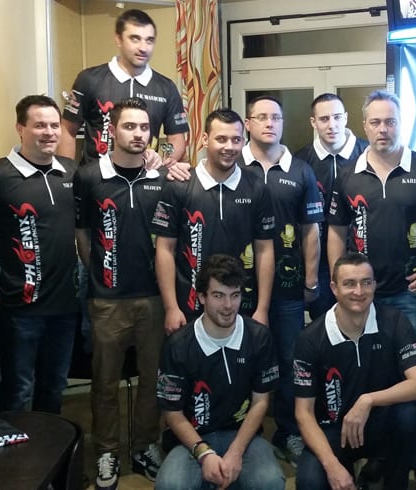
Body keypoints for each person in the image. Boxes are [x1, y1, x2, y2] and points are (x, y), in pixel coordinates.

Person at [326, 89, 416, 489]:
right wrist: (339, 284)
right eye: (376, 122)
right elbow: (336, 232)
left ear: (401, 123)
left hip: (411, 295)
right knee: (369, 377)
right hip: (362, 299)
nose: (383, 129)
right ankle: (379, 455)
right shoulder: (348, 175)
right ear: (365, 125)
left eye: (390, 121)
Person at [74, 98, 168, 488]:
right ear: (112, 130)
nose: (139, 134)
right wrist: (102, 275)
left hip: (154, 298)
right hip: (107, 300)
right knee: (105, 382)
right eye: (130, 126)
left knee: (152, 379)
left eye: (145, 127)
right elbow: (82, 236)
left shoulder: (163, 178)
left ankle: (145, 446)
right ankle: (107, 451)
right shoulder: (89, 176)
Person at [293, 253, 416, 489]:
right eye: (349, 283)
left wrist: (367, 401)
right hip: (333, 429)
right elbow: (303, 414)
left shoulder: (395, 321)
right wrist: (332, 466)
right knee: (309, 481)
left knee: (408, 415)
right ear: (334, 288)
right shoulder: (310, 338)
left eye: (366, 282)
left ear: (374, 286)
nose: (359, 291)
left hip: (378, 423)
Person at [0, 95, 78, 414]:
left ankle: (49, 445)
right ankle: (16, 448)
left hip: (65, 305)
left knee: (55, 386)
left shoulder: (71, 172)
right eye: (39, 125)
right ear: (20, 128)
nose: (49, 132)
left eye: (54, 125)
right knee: (18, 390)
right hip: (19, 308)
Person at [239, 95, 324, 464]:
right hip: (239, 290)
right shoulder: (232, 165)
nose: (269, 123)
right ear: (248, 124)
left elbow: (311, 230)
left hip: (289, 289)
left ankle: (288, 431)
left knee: (291, 360)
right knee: (243, 359)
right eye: (261, 117)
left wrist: (310, 281)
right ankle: (245, 432)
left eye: (276, 117)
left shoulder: (301, 171)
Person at [155, 254, 285, 490]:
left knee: (270, 482)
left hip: (243, 436)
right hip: (192, 441)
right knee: (170, 485)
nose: (228, 306)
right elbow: (172, 413)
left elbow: (260, 402)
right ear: (201, 297)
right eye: (218, 296)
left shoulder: (259, 337)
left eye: (235, 295)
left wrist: (236, 451)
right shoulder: (178, 345)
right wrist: (204, 454)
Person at [153, 108, 275, 334]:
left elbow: (265, 249)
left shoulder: (257, 186)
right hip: (188, 307)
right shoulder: (179, 185)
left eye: (236, 139)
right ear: (205, 139)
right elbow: (165, 249)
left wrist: (263, 309)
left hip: (242, 307)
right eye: (221, 139)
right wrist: (171, 308)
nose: (229, 146)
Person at [60, 9, 188, 167]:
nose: (143, 48)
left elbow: (176, 138)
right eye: (135, 39)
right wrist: (68, 175)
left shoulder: (166, 88)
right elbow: (67, 130)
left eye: (149, 40)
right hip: (95, 176)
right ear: (119, 39)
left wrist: (165, 160)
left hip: (145, 176)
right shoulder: (89, 79)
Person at [295, 93, 368, 321]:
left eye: (337, 117)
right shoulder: (301, 161)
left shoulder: (367, 154)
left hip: (363, 257)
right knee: (325, 325)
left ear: (346, 118)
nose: (332, 125)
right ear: (313, 122)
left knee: (364, 324)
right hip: (319, 264)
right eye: (324, 119)